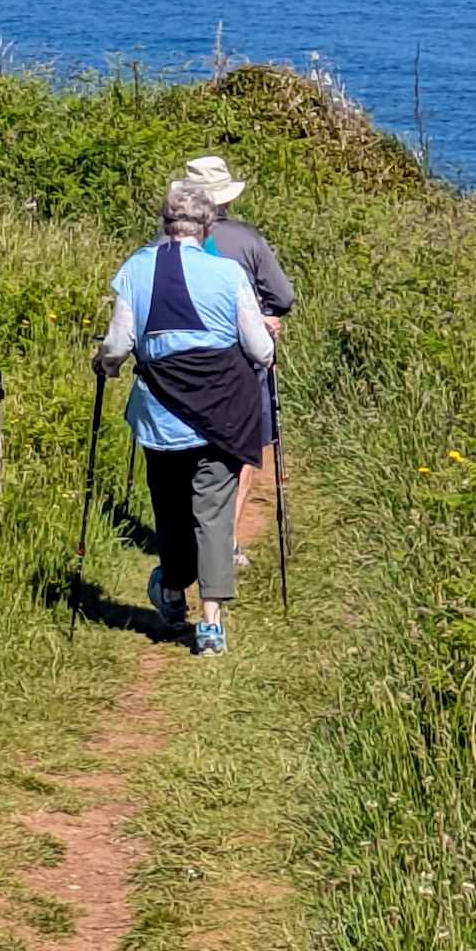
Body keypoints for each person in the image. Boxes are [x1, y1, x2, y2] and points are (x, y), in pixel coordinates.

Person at [94, 181, 274, 657]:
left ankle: (173, 596)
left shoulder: (136, 268)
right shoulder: (229, 273)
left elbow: (117, 344)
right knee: (212, 514)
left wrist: (106, 366)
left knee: (170, 508)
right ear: (208, 226)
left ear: (164, 223)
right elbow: (260, 348)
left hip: (161, 411)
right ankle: (211, 625)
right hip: (221, 412)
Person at [183, 155, 296, 565]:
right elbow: (283, 297)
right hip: (242, 358)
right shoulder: (248, 242)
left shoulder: (164, 244)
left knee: (190, 445)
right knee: (247, 448)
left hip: (182, 362)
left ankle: (191, 534)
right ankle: (226, 542)